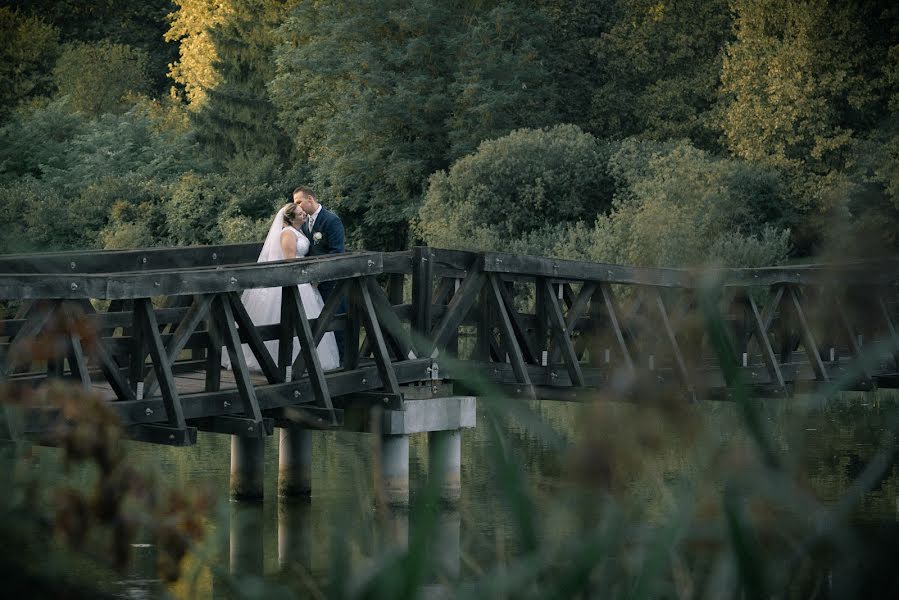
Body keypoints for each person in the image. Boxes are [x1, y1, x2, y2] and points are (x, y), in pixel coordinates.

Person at [222, 202, 340, 373]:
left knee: (309, 321)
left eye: (302, 213)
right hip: (296, 280)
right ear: (290, 219)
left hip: (305, 279)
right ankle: (284, 361)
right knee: (290, 320)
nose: (304, 215)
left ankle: (304, 361)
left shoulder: (298, 231)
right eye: (300, 214)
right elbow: (290, 260)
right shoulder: (287, 234)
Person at [292, 186, 347, 362]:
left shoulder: (331, 220)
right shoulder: (304, 223)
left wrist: (318, 275)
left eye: (299, 202)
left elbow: (337, 253)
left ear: (310, 199)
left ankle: (343, 364)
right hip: (312, 285)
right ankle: (325, 361)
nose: (297, 207)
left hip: (331, 283)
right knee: (319, 325)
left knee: (336, 323)